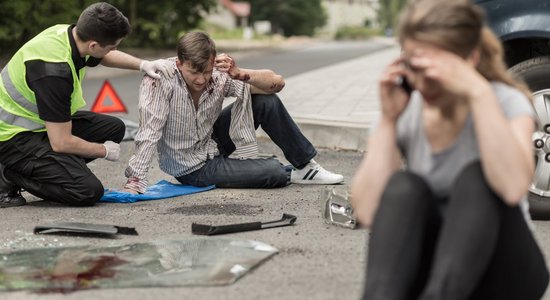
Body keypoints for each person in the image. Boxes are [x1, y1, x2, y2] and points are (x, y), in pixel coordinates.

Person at [350, 0, 549, 299]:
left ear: (469, 58)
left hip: (503, 269)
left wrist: (479, 92)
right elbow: (366, 209)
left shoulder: (504, 101)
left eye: (437, 66)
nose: (425, 80)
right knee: (405, 187)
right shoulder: (405, 106)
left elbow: (511, 189)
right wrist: (389, 122)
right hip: (434, 265)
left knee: (478, 179)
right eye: (416, 64)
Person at [122, 31, 343, 194]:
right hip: (191, 165)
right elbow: (150, 131)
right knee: (273, 173)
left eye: (206, 72)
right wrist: (136, 180)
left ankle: (306, 166)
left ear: (212, 63)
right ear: (179, 64)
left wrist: (239, 73)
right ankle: (277, 170)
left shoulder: (218, 72)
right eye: (193, 72)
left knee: (266, 101)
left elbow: (277, 83)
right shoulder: (160, 79)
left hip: (212, 140)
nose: (200, 80)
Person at [0, 2, 172, 208]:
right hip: (11, 138)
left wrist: (143, 65)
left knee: (114, 128)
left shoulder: (69, 34)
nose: (114, 50)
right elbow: (61, 143)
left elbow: (104, 54)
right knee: (87, 191)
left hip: (36, 125)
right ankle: (10, 174)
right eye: (113, 46)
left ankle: (56, 172)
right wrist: (102, 151)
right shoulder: (53, 72)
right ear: (93, 45)